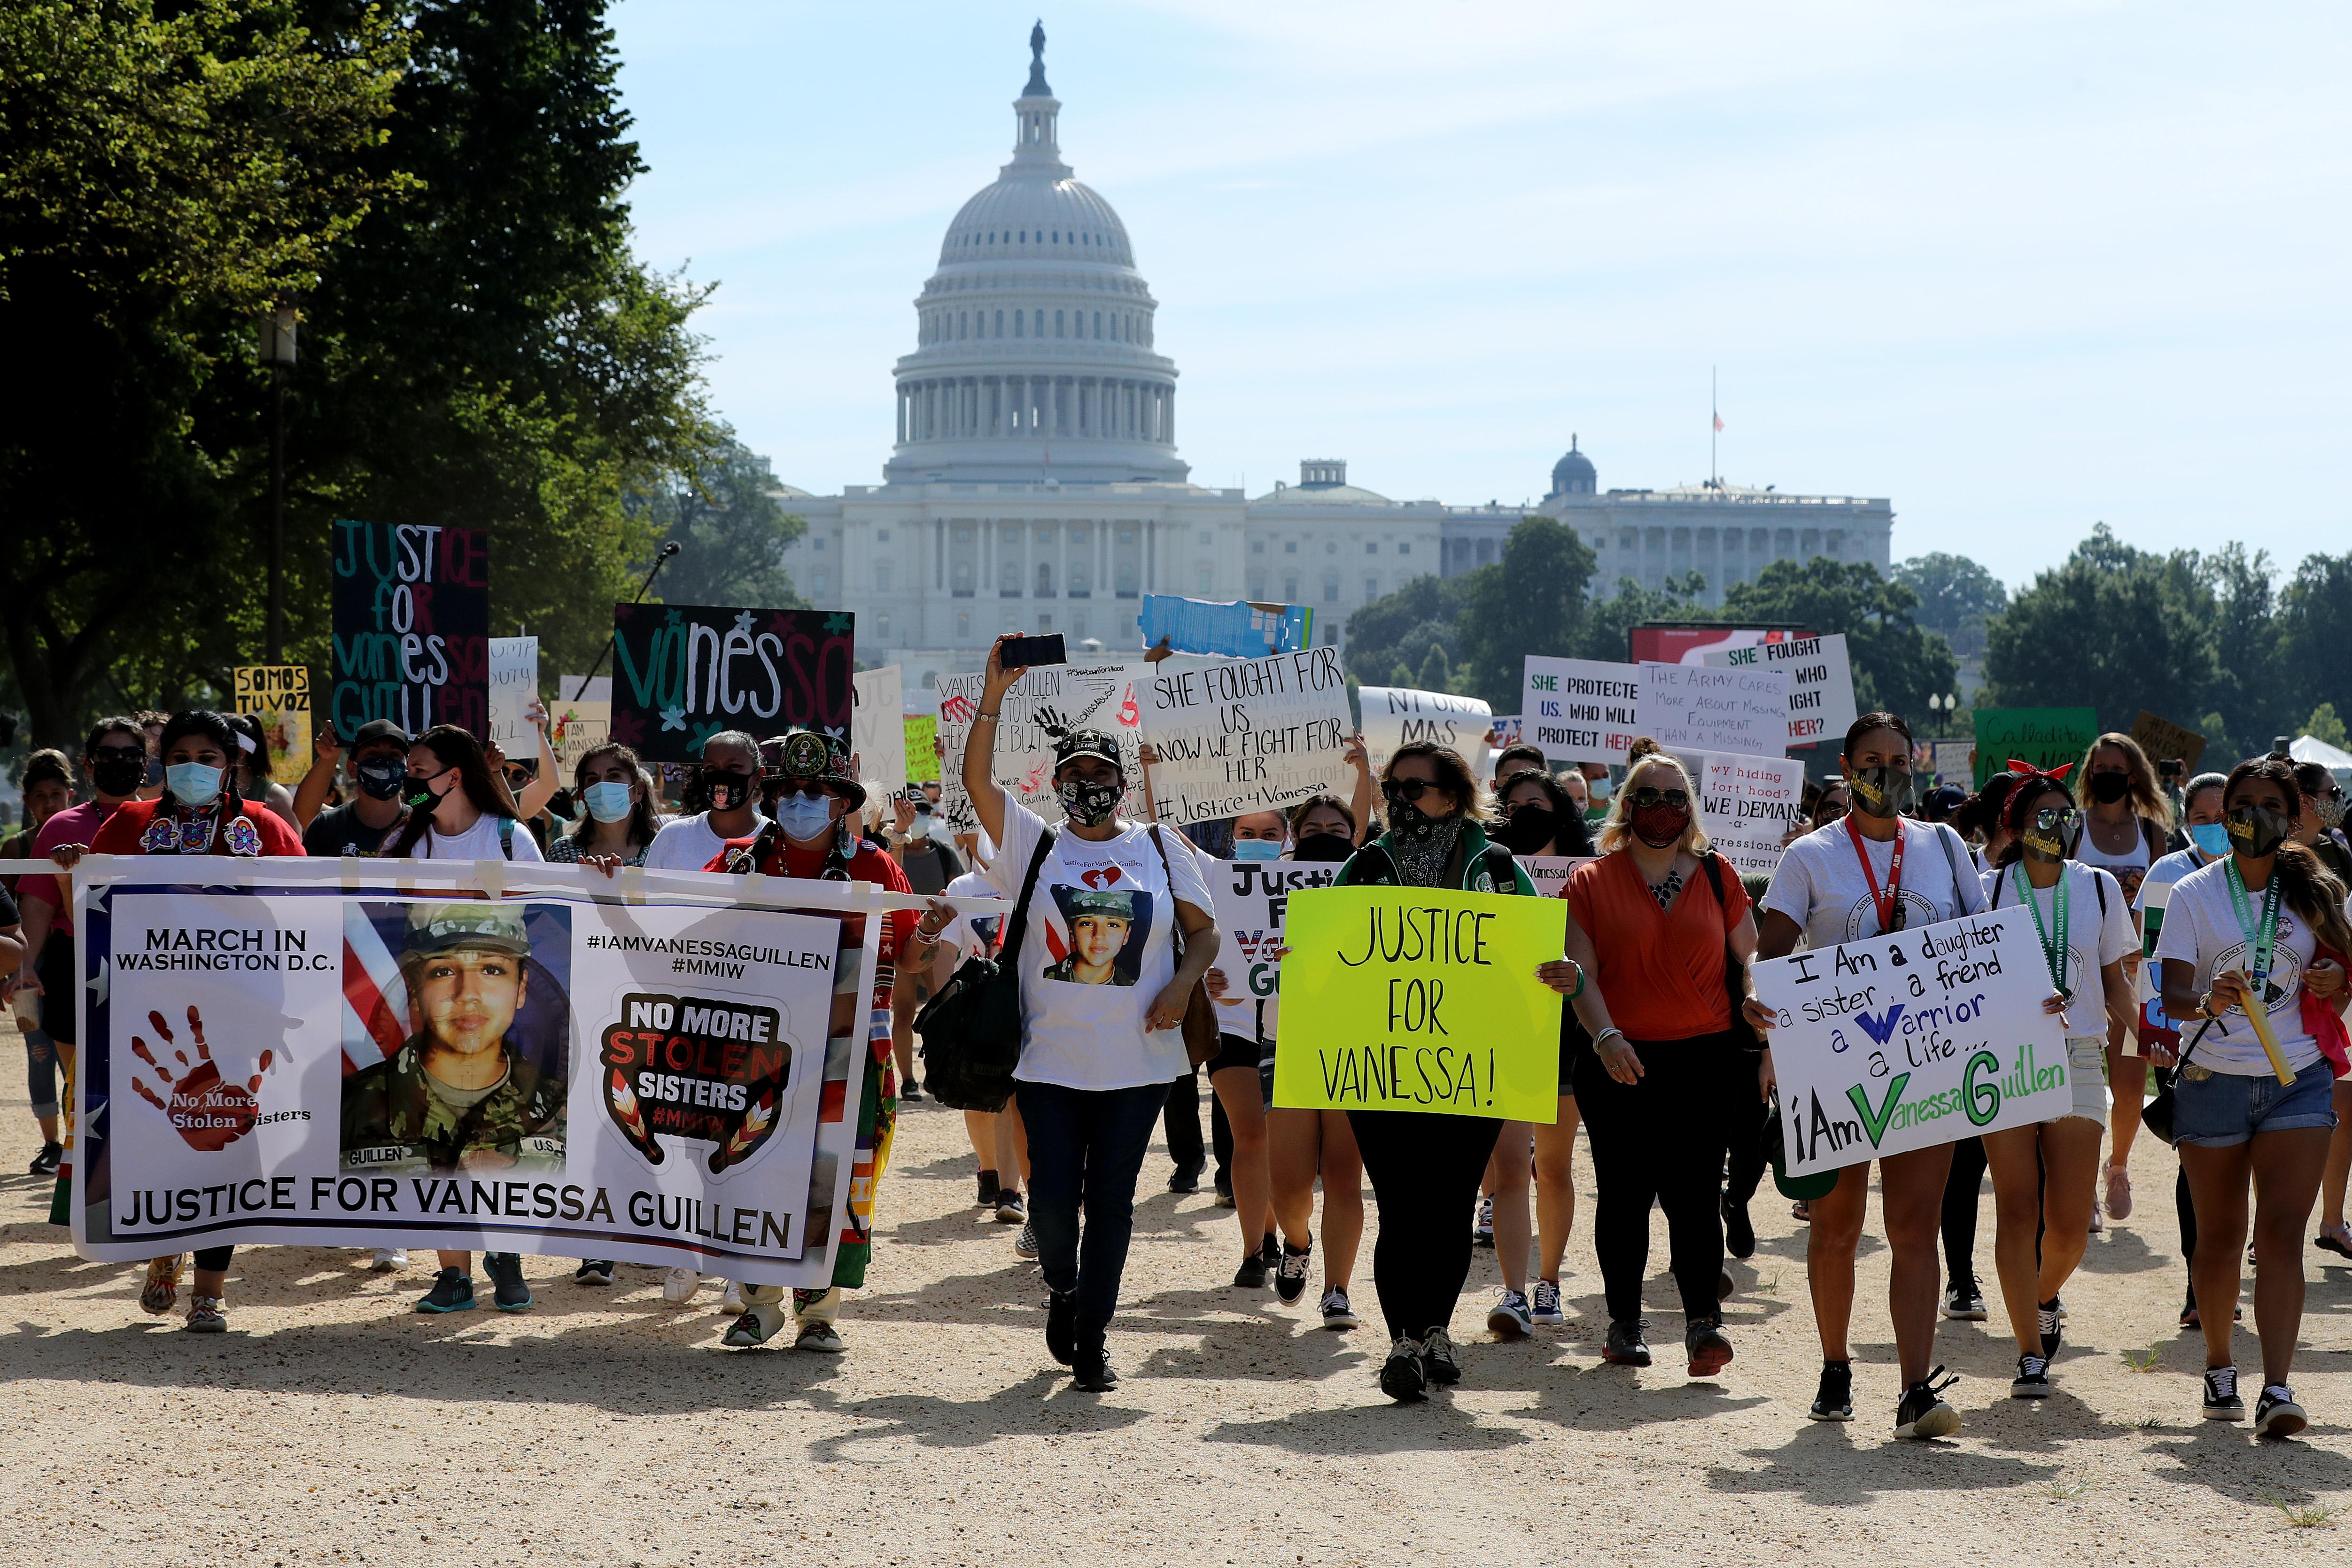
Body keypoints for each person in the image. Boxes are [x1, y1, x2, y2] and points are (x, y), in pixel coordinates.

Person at [961, 635, 1221, 1393]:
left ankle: (1094, 1336)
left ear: (1120, 781)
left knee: (1110, 1200)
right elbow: (975, 779)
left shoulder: (1161, 847)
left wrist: (1179, 987)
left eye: (1100, 773)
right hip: (1049, 1058)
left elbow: (1203, 934)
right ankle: (1064, 1289)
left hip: (1138, 1064)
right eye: (1073, 774)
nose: (1088, 785)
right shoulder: (1033, 846)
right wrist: (993, 697)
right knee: (1050, 1199)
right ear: (1057, 784)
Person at [1750, 711, 1987, 1438]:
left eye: (1895, 758)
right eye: (1869, 759)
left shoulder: (1943, 847)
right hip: (1834, 1060)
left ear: (1912, 764)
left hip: (1927, 1059)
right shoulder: (1809, 856)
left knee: (1914, 1228)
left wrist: (2028, 1002)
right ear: (1846, 767)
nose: (1884, 771)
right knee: (1835, 1227)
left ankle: (1915, 1386)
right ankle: (1834, 1365)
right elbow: (1772, 949)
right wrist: (1760, 1001)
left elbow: (1983, 945)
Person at [81, 710, 307, 1331]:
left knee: (227, 1136)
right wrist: (80, 866)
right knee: (157, 1131)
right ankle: (163, 1246)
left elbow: (307, 909)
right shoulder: (130, 822)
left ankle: (210, 1290)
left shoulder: (262, 825)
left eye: (207, 756)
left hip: (241, 1014)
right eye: (180, 754)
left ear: (231, 762)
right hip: (151, 1017)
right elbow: (92, 904)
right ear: (162, 761)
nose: (193, 767)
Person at [1332, 740, 1541, 1402]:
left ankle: (1435, 1331)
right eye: (1390, 789)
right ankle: (1403, 1340)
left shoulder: (1500, 868)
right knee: (1399, 1205)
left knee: (1449, 1206)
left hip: (1469, 1068)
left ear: (1451, 794)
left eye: (1412, 788)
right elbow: (1330, 954)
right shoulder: (1365, 865)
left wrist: (1563, 973)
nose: (1398, 800)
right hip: (1383, 1067)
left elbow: (1539, 953)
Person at [1537, 747, 1755, 1376]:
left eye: (1673, 798)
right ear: (1626, 806)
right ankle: (1624, 1323)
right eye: (1648, 797)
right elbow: (1582, 971)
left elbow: (1748, 958)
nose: (1661, 809)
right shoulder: (1589, 880)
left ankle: (1700, 1324)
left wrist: (1753, 993)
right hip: (1617, 1062)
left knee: (1692, 1195)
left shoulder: (1718, 874)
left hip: (1705, 1061)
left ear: (1689, 809)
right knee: (1624, 1195)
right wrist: (1605, 1037)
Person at [2156, 756, 2349, 1437]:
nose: (2253, 814)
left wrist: (2331, 981)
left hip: (2297, 1079)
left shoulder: (2318, 889)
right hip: (2210, 1079)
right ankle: (2217, 1365)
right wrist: (2204, 998)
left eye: (2270, 803)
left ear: (2294, 815)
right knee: (2217, 1237)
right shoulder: (2192, 893)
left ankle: (2275, 1385)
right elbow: (2170, 995)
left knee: (2278, 1237)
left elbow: (2339, 975)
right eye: (2241, 802)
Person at [710, 728, 920, 1353]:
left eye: (815, 790)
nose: (801, 800)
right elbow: (685, 934)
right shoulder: (739, 861)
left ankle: (819, 1309)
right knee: (752, 1167)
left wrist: (932, 935)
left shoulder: (874, 864)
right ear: (773, 796)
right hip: (758, 1050)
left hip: (849, 1053)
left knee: (836, 1172)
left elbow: (909, 956)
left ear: (839, 800)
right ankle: (757, 1305)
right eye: (791, 789)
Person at [1978, 772, 2136, 1397]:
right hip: (2004, 1056)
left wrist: (2144, 1031)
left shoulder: (2096, 887)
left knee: (2068, 1223)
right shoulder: (1987, 887)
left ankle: (2042, 1294)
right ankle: (2026, 1351)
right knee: (2015, 1208)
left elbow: (2115, 979)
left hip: (2075, 1054)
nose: (2059, 825)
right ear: (2015, 827)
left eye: (2065, 815)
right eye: (2043, 816)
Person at [380, 723, 544, 1312]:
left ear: (455, 774)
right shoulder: (407, 839)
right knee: (438, 1132)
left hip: (497, 1007)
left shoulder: (510, 837)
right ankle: (453, 1272)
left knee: (495, 1130)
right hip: (434, 1003)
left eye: (420, 772)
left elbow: (541, 908)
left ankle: (506, 1251)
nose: (409, 782)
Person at [12, 719, 153, 1215]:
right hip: (81, 967)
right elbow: (37, 908)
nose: (120, 763)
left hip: (158, 966)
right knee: (85, 1089)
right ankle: (89, 1206)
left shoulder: (176, 821)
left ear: (146, 759)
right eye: (108, 755)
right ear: (90, 764)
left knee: (154, 1086)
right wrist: (23, 968)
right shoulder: (62, 827)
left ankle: (150, 1197)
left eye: (130, 753)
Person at [1483, 765, 1596, 1335]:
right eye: (1516, 803)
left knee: (1551, 1167)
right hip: (1504, 1027)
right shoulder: (1483, 869)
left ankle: (1548, 1279)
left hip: (1567, 1033)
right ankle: (1513, 1291)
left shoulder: (1591, 874)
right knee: (1509, 1169)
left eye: (1540, 804)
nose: (1528, 812)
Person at [1255, 792, 1369, 1329]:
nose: (1326, 832)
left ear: (1355, 835)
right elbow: (1237, 948)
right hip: (1287, 1042)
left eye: (1338, 826)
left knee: (1346, 1176)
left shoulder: (1378, 881)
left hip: (1358, 1043)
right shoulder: (1261, 886)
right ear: (1294, 835)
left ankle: (1338, 1289)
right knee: (1291, 1187)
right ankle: (1295, 1242)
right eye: (1314, 825)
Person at [2132, 771, 2233, 1325]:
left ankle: (2226, 1278)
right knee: (2194, 1164)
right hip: (2186, 1038)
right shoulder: (2167, 874)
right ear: (2186, 820)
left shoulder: (2260, 874)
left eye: (2226, 816)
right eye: (2204, 817)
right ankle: (2201, 1288)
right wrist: (2157, 1033)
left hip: (2249, 1038)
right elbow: (2152, 961)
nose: (2217, 827)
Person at [2073, 732, 2173, 1228]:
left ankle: (2118, 1166)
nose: (2107, 774)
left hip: (2136, 977)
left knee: (2131, 1089)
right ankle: (2081, 1180)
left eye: (2117, 766)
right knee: (2085, 1082)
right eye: (2099, 766)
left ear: (2133, 774)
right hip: (2080, 978)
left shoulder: (2153, 834)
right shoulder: (2073, 828)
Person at [2288, 761, 2352, 1263]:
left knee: (2339, 1112)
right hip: (2273, 1003)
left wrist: (2341, 974)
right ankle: (2261, 1233)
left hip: (2328, 1001)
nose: (2339, 799)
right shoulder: (2265, 856)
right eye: (2332, 792)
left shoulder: (2339, 850)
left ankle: (2331, 1221)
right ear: (2306, 799)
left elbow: (2344, 929)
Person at [4, 749, 73, 1173]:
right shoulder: (19, 846)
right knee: (39, 1053)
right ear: (27, 800)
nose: (49, 803)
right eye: (40, 796)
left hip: (68, 965)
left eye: (56, 794)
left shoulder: (87, 839)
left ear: (69, 794)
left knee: (76, 1057)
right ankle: (50, 1144)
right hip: (26, 970)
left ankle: (77, 1136)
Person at [295, 720, 413, 855]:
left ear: (407, 768)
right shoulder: (328, 825)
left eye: (394, 755)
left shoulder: (421, 828)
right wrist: (328, 758)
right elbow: (304, 811)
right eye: (373, 754)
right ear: (352, 768)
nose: (384, 763)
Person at [547, 742, 663, 871]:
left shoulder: (662, 849)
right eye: (593, 779)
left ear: (639, 791)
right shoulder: (562, 852)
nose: (602, 786)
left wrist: (620, 882)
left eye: (614, 776)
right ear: (584, 797)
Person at [227, 713, 300, 825]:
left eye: (208, 757)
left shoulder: (276, 798)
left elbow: (293, 842)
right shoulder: (203, 796)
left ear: (239, 754)